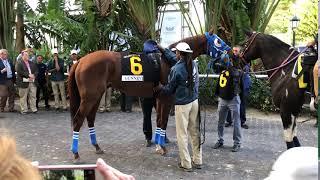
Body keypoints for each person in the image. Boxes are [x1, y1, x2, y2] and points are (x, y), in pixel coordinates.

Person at [155, 42, 202, 172]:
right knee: (194, 132)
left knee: (182, 135)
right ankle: (197, 160)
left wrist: (159, 88)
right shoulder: (193, 64)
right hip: (194, 102)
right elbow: (174, 59)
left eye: (176, 52)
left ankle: (186, 164)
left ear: (179, 54)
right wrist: (163, 49)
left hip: (182, 105)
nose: (175, 53)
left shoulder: (176, 69)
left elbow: (169, 89)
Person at [213, 50, 243, 152]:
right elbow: (215, 65)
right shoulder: (222, 69)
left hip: (233, 99)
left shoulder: (236, 71)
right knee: (220, 121)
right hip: (222, 99)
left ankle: (237, 143)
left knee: (236, 123)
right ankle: (220, 140)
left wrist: (229, 64)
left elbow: (237, 77)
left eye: (227, 59)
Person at [225, 46, 251, 129]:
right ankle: (229, 121)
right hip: (232, 84)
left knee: (242, 103)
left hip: (243, 84)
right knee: (229, 101)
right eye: (233, 51)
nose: (234, 52)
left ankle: (242, 122)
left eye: (236, 51)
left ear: (241, 53)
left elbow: (244, 72)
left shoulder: (245, 61)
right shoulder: (229, 60)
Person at [140, 40, 158, 147]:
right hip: (151, 92)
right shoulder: (157, 59)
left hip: (149, 93)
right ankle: (149, 137)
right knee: (150, 115)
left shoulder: (142, 60)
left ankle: (149, 137)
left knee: (148, 115)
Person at [16, 50, 38, 114]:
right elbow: (19, 71)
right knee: (23, 97)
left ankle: (34, 109)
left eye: (28, 55)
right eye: (26, 55)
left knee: (33, 96)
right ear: (22, 56)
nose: (27, 56)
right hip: (23, 82)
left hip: (32, 82)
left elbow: (36, 70)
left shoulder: (32, 63)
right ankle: (24, 110)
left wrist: (34, 75)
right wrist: (28, 75)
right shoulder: (19, 63)